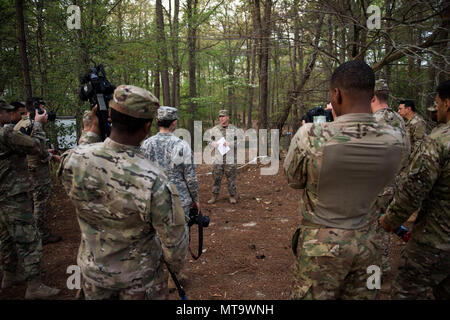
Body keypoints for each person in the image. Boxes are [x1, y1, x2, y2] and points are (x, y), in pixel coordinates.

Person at [284, 60, 409, 300]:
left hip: (321, 246)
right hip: (370, 245)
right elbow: (395, 174)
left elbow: (294, 180)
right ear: (371, 95)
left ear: (336, 94)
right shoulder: (396, 136)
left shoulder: (311, 135)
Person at [58, 85, 189, 300]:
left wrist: (90, 132)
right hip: (138, 283)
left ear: (109, 116)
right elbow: (175, 245)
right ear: (147, 127)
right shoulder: (154, 180)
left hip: (93, 277)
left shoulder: (73, 160)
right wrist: (169, 270)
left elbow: (82, 157)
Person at [379, 80, 450, 300]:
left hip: (436, 240)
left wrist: (390, 220)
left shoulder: (438, 142)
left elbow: (414, 190)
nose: (434, 108)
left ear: (447, 103)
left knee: (406, 292)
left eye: (437, 103)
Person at [0, 98, 60, 299]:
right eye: (5, 112)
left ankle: (9, 274)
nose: (9, 115)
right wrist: (38, 125)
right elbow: (34, 146)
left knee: (6, 236)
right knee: (29, 239)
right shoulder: (6, 133)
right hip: (13, 193)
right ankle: (34, 285)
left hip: (2, 194)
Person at [370, 79, 410, 287]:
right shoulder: (399, 119)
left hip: (376, 185)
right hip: (394, 182)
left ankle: (374, 279)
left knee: (373, 232)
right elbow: (407, 149)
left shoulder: (372, 121)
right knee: (384, 228)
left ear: (373, 97)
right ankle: (381, 270)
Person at [14, 98, 62, 244]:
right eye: (42, 109)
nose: (45, 113)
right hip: (37, 170)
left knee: (33, 202)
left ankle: (34, 231)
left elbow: (29, 146)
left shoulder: (21, 124)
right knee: (41, 202)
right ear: (35, 110)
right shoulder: (34, 125)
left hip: (27, 169)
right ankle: (41, 234)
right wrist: (52, 156)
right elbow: (38, 150)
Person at [141, 106, 199, 221]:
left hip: (153, 200)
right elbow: (190, 178)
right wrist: (195, 199)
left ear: (157, 122)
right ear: (174, 123)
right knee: (181, 235)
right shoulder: (182, 145)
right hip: (179, 201)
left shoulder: (145, 145)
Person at [207, 109, 239, 204]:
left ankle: (232, 195)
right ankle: (215, 195)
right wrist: (213, 143)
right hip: (218, 158)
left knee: (231, 178)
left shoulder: (234, 129)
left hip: (230, 157)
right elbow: (208, 140)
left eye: (223, 116)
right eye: (220, 116)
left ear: (228, 117)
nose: (221, 118)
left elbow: (240, 141)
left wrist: (230, 143)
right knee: (216, 177)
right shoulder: (214, 129)